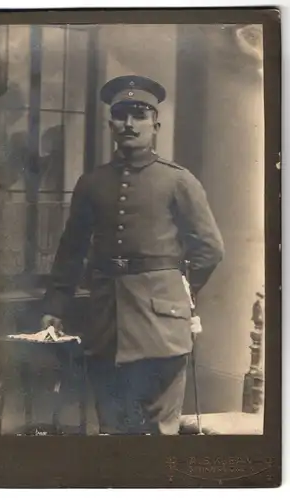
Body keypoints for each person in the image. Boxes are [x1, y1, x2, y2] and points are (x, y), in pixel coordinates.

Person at [42, 75, 224, 435]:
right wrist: (56, 306)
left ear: (155, 124)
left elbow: (209, 248)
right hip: (106, 324)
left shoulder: (179, 181)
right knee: (112, 427)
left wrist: (178, 292)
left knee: (158, 433)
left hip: (161, 328)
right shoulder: (92, 183)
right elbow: (71, 249)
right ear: (111, 124)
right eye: (121, 115)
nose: (129, 124)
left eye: (139, 115)